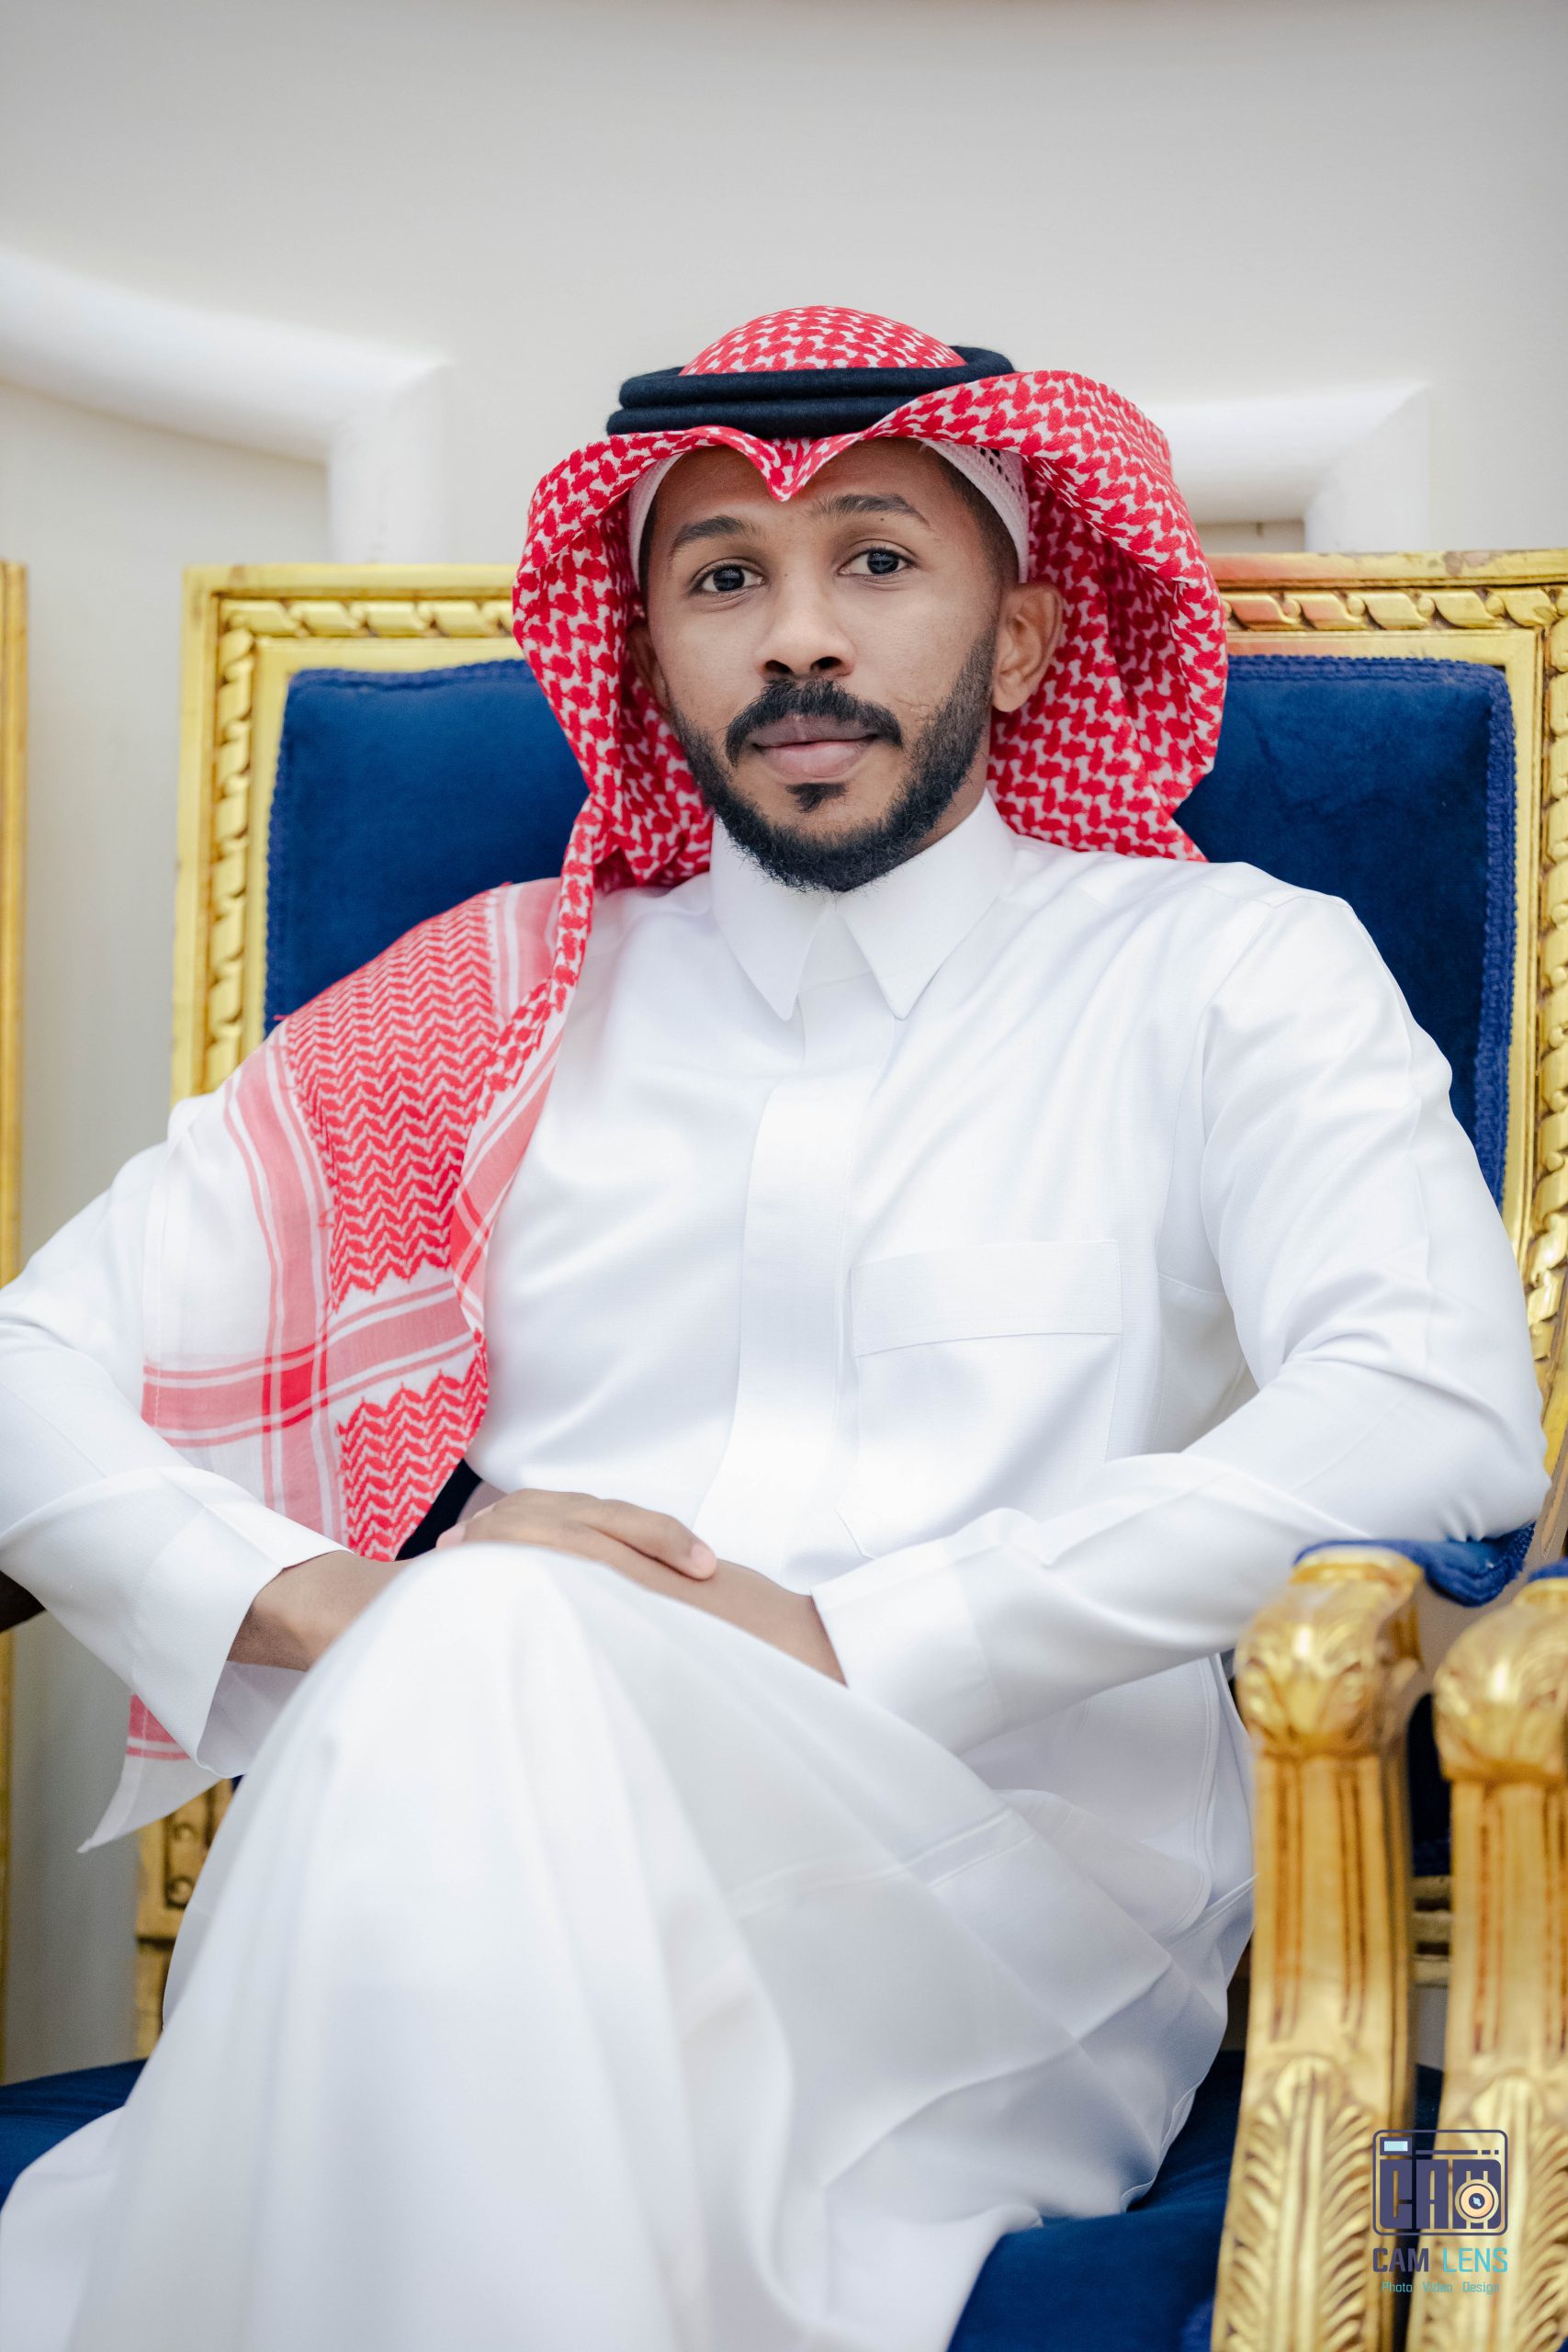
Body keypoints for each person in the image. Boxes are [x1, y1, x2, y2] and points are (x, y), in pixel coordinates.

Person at [0, 307, 1547, 2351]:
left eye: (877, 561)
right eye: (724, 578)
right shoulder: (488, 1002)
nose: (797, 638)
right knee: (483, 1643)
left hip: (996, 1909)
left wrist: (853, 1634)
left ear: (1020, 637)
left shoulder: (1220, 975)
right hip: (457, 1815)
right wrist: (323, 1601)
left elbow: (1436, 1412)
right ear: (647, 651)